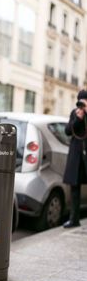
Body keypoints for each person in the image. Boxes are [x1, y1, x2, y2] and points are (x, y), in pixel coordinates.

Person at [63, 89, 87, 228]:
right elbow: (67, 131)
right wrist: (78, 118)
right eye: (80, 101)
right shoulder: (75, 113)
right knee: (75, 188)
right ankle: (74, 219)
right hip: (76, 156)